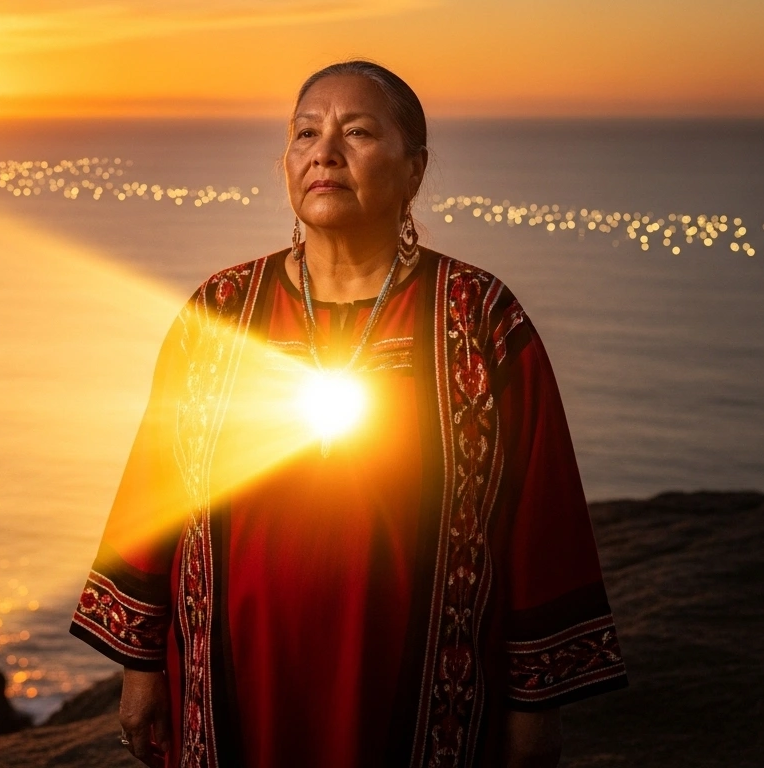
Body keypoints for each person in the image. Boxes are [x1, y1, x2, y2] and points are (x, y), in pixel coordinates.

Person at [70, 60, 627, 768]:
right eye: (306, 133)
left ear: (414, 169)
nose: (324, 152)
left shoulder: (478, 319)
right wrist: (140, 669)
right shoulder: (220, 310)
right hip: (234, 690)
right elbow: (155, 493)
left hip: (423, 704)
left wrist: (534, 710)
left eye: (357, 132)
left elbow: (541, 523)